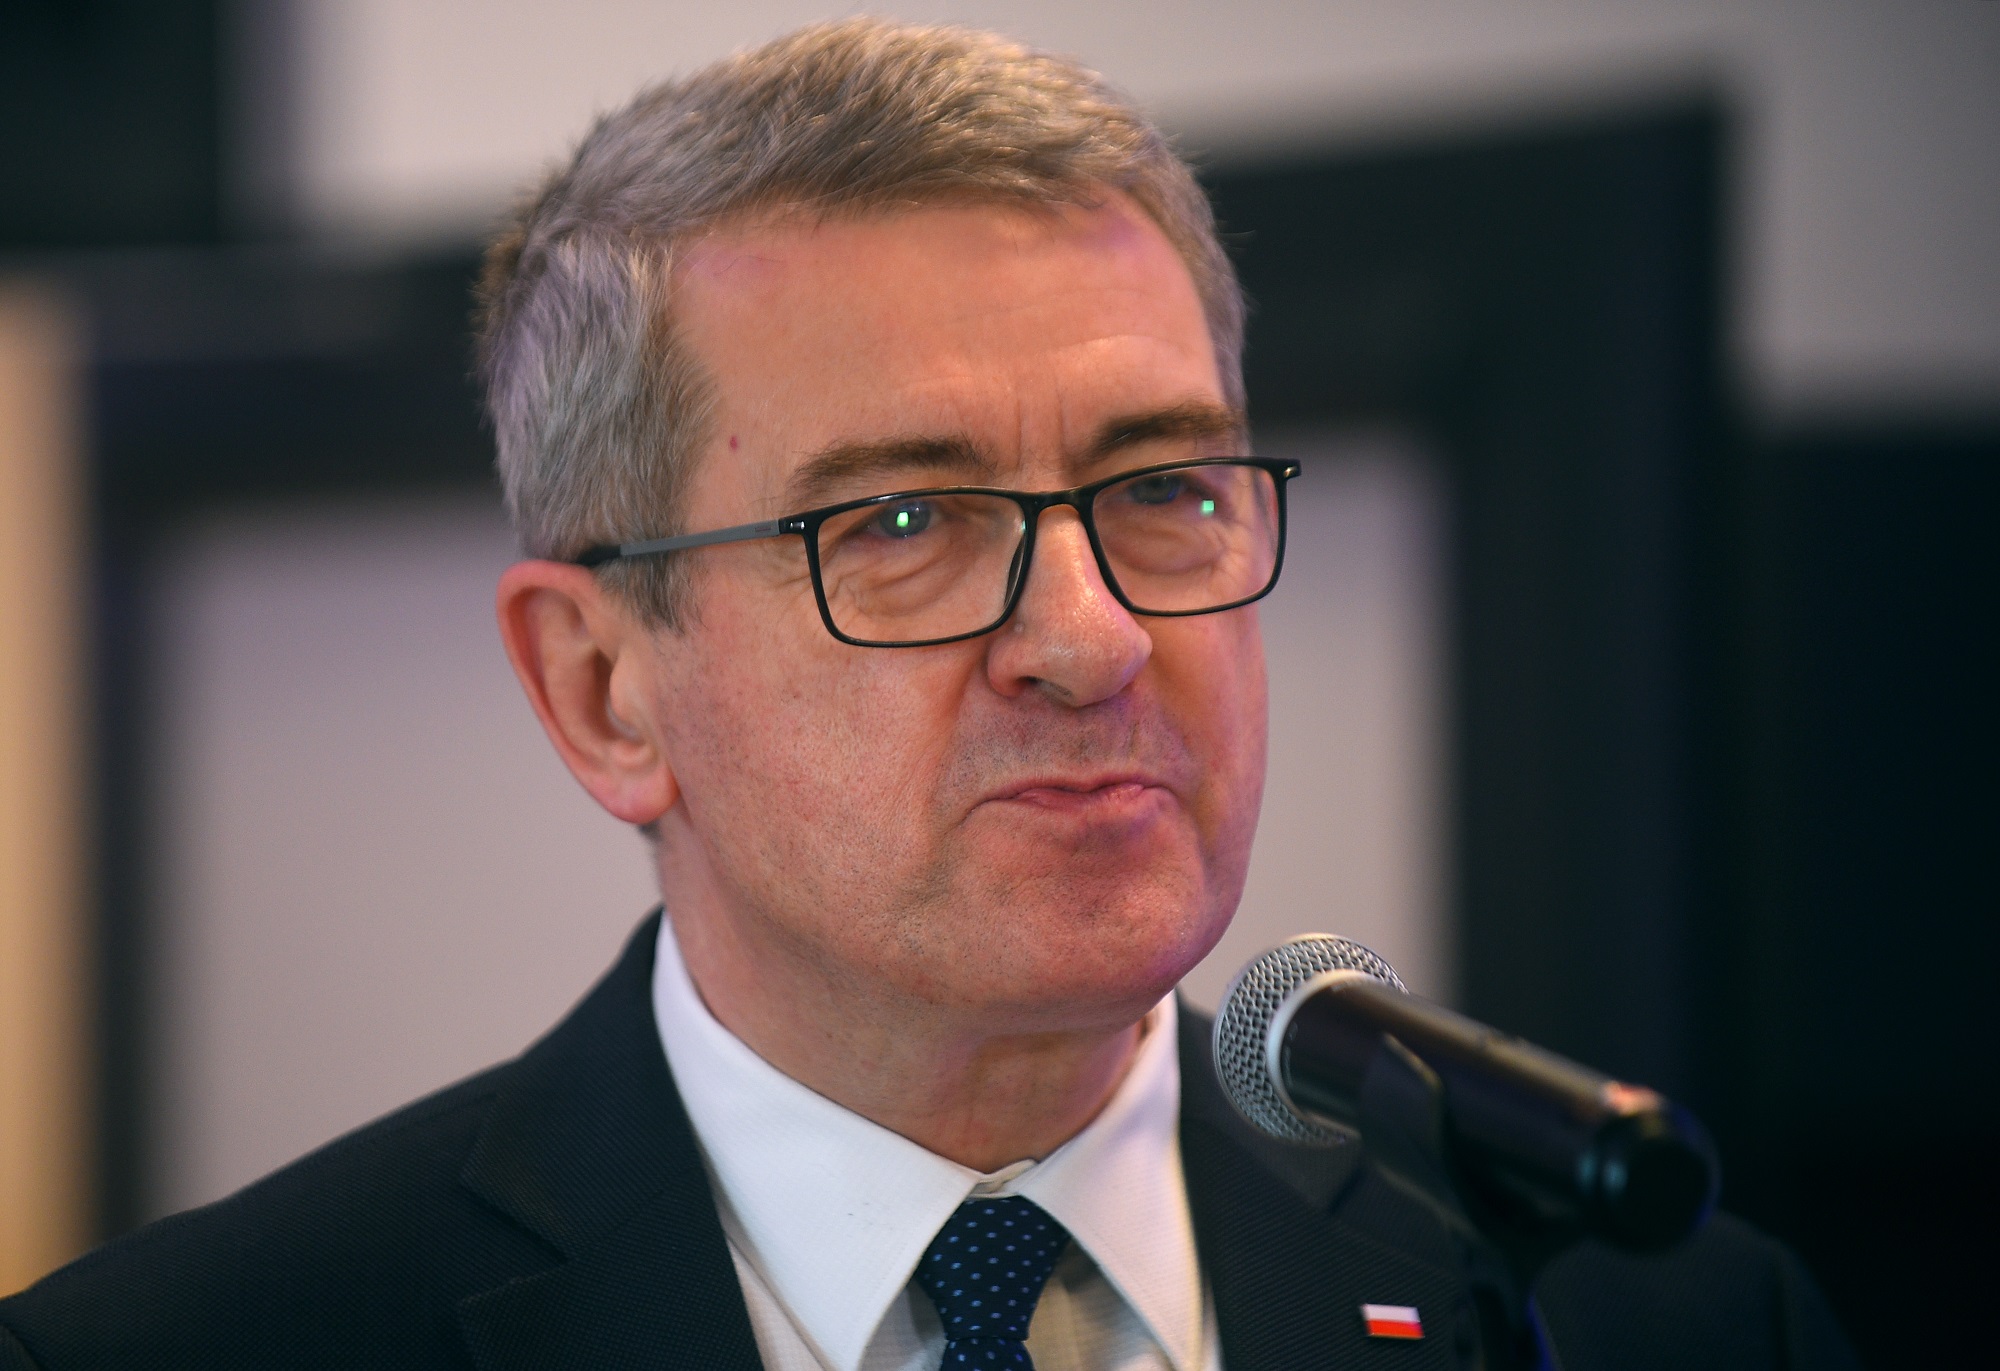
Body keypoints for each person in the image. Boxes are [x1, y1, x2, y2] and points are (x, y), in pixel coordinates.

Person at [0, 19, 1855, 1371]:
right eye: (903, 523)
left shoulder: (1649, 1320)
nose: (1094, 638)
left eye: (1165, 489)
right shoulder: (200, 1351)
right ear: (603, 691)